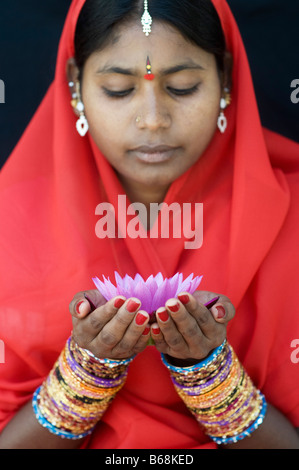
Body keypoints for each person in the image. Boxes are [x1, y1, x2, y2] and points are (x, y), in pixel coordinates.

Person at [0, 0, 298, 450]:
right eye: (119, 89)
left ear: (227, 79)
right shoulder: (11, 226)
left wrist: (209, 373)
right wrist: (88, 370)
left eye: (182, 86)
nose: (153, 120)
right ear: (74, 84)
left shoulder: (290, 217)